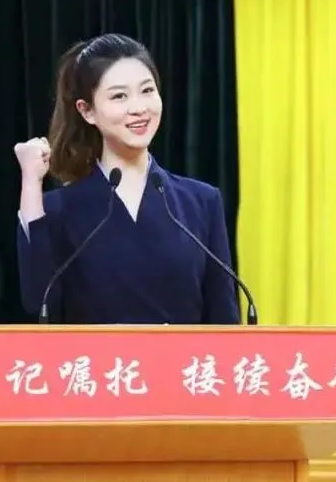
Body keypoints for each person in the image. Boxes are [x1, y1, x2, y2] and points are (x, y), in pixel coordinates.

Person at [13, 33, 240, 324]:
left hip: (185, 356)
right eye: (119, 96)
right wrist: (31, 183)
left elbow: (224, 318)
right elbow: (39, 303)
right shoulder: (60, 209)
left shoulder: (202, 202)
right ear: (87, 111)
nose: (139, 108)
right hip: (98, 356)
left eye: (147, 90)